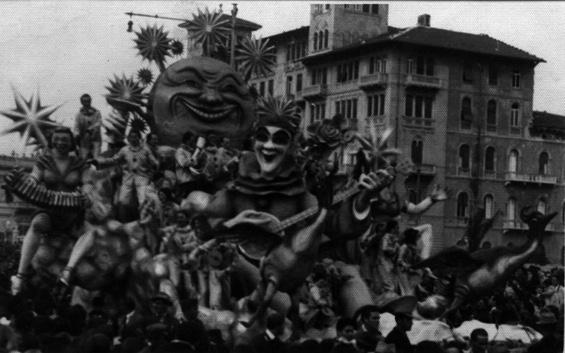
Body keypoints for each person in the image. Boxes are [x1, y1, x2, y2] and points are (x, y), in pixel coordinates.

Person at [10, 127, 89, 294]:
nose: (61, 143)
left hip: (72, 212)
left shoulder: (80, 164)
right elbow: (34, 177)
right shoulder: (43, 161)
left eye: (65, 140)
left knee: (88, 232)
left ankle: (68, 270)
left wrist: (86, 192)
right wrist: (27, 183)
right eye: (58, 139)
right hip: (49, 209)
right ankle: (20, 275)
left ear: (71, 143)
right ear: (52, 141)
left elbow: (88, 183)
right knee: (37, 224)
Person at [92, 129, 159, 218]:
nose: (133, 139)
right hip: (128, 178)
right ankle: (124, 222)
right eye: (131, 137)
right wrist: (100, 162)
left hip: (142, 177)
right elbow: (114, 160)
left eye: (135, 137)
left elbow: (154, 161)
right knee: (122, 201)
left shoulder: (145, 149)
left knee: (143, 201)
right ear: (128, 139)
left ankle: (144, 223)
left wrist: (154, 168)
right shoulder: (125, 150)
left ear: (139, 138)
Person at [74, 93, 102, 159]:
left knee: (96, 158)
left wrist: (90, 129)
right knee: (83, 159)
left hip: (95, 139)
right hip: (84, 141)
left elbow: (99, 123)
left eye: (88, 101)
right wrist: (76, 135)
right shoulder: (79, 115)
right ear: (81, 102)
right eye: (84, 101)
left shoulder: (97, 113)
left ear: (90, 101)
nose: (87, 103)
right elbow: (76, 127)